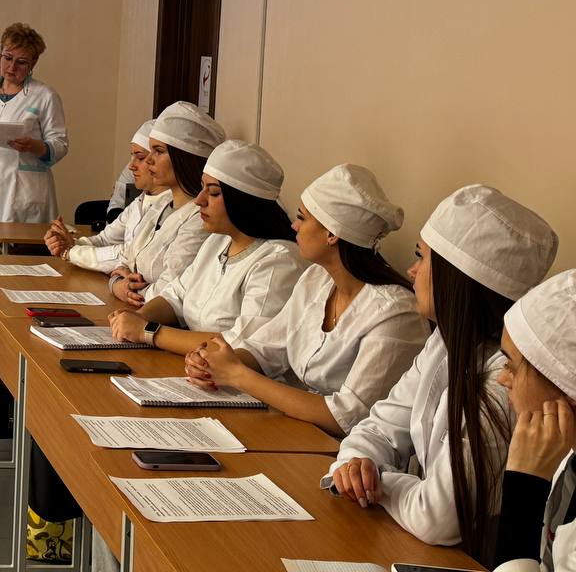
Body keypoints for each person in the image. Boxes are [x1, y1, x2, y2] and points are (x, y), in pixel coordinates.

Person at [327, 185, 558, 561]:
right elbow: (377, 427)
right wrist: (355, 465)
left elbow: (438, 518)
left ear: (456, 279)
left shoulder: (506, 383)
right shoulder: (444, 345)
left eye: (421, 257)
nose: (411, 270)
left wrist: (377, 481)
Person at [184, 164, 430, 437]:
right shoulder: (316, 279)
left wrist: (237, 374)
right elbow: (266, 348)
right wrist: (214, 363)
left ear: (332, 234)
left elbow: (346, 417)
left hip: (345, 452)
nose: (294, 225)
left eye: (302, 218)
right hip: (297, 431)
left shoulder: (396, 313)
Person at [108, 139, 302, 356]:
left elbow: (243, 344)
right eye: (202, 188)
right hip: (195, 364)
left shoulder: (278, 261)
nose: (199, 200)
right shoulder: (217, 242)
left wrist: (148, 331)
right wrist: (138, 317)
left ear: (243, 201)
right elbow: (176, 295)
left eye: (214, 193)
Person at [492, 269, 576, 572]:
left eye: (511, 367)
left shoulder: (541, 463)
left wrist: (523, 486)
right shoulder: (565, 457)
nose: (502, 379)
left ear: (565, 386)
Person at [0, 23, 68, 254]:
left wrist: (34, 146)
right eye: (7, 58)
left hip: (26, 194)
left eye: (21, 62)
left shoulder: (45, 96)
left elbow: (60, 144)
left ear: (33, 63)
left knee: (22, 262)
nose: (11, 67)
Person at [43, 115, 171, 275]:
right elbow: (105, 239)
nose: (131, 166)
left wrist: (71, 252)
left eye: (140, 157)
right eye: (132, 156)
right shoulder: (140, 201)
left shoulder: (171, 208)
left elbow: (129, 255)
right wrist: (70, 243)